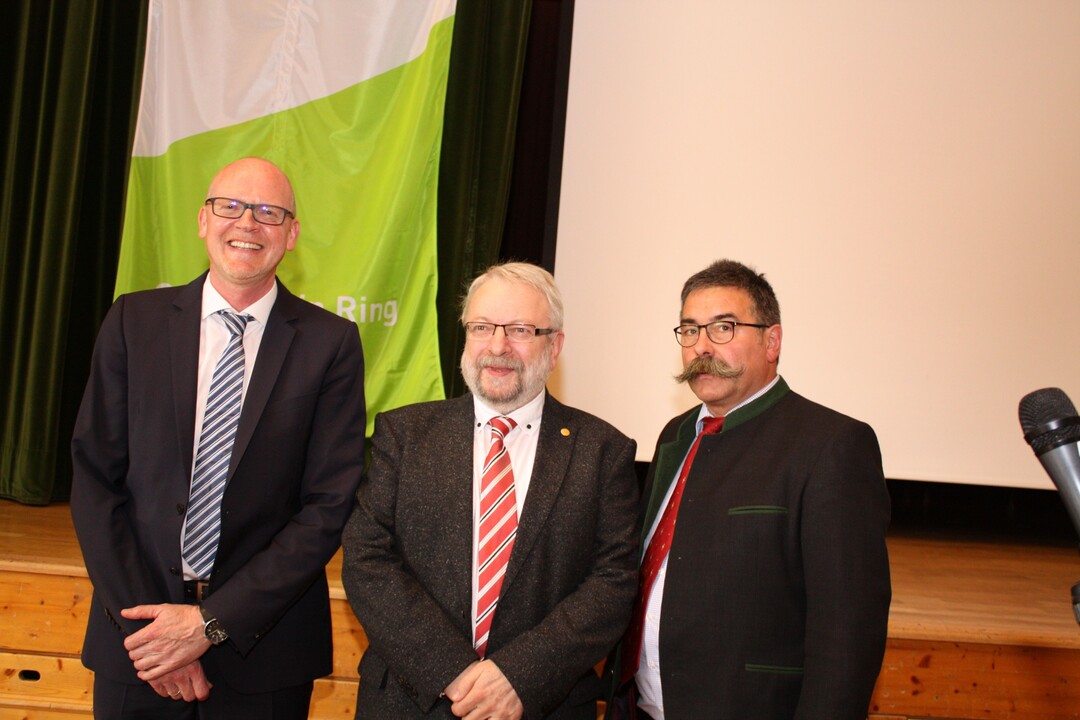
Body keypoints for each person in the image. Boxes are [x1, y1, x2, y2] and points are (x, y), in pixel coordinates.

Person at [70, 157, 366, 719]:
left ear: (292, 234)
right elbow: (94, 478)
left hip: (263, 651)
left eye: (268, 212)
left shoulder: (331, 344)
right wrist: (157, 635)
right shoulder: (133, 322)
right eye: (229, 206)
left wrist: (210, 625)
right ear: (203, 220)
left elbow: (328, 506)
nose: (247, 224)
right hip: (137, 643)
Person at [341, 262, 639, 719]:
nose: (497, 347)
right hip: (410, 700)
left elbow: (611, 583)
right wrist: (454, 672)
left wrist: (518, 676)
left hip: (540, 704)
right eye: (481, 327)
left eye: (520, 329)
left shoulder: (603, 452)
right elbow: (366, 559)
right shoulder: (405, 434)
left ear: (554, 345)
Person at [611, 259, 891, 720]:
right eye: (689, 330)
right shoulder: (675, 435)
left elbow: (848, 634)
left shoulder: (831, 445)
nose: (702, 346)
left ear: (772, 341)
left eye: (723, 328)